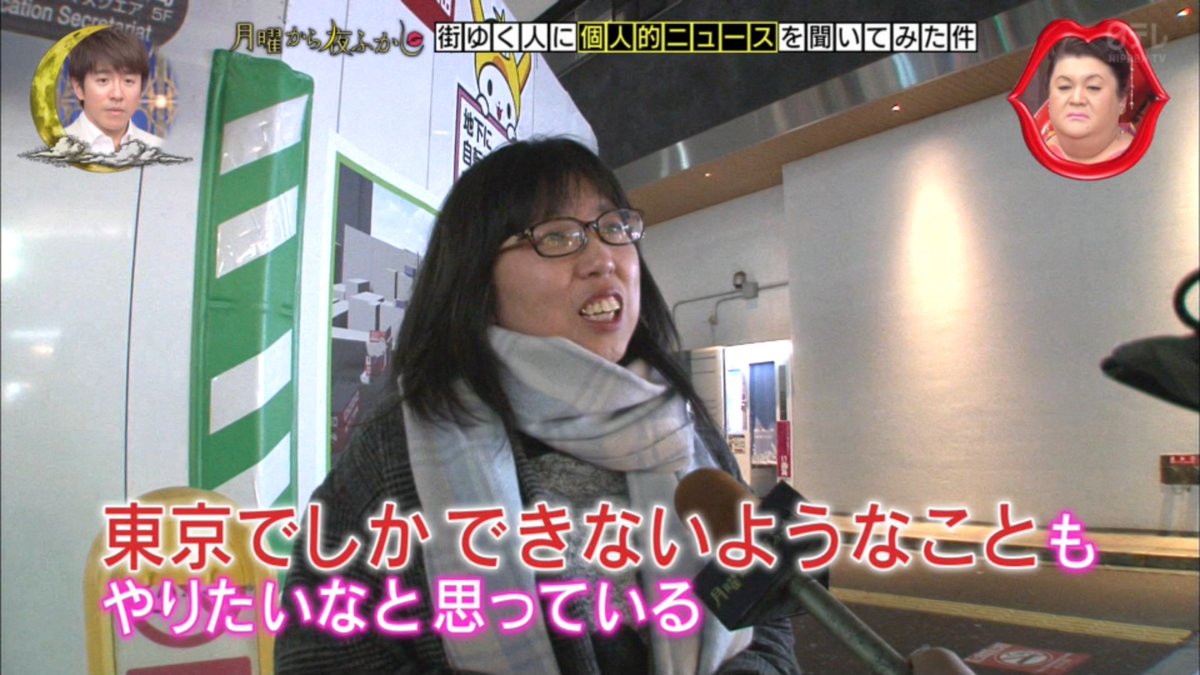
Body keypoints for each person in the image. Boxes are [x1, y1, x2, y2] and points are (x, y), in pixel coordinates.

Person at [276, 137, 802, 674]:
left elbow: (765, 621)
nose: (603, 259)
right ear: (476, 276)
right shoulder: (396, 451)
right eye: (556, 236)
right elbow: (318, 659)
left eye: (614, 227)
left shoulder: (683, 427)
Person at [63, 28, 163, 153]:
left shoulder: (159, 149)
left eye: (128, 81)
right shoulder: (54, 146)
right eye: (103, 80)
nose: (117, 95)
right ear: (78, 88)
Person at [1042, 37, 1134, 164]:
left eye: (1093, 87)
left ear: (1122, 99)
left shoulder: (1140, 162)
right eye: (1064, 87)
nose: (1076, 99)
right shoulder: (1033, 150)